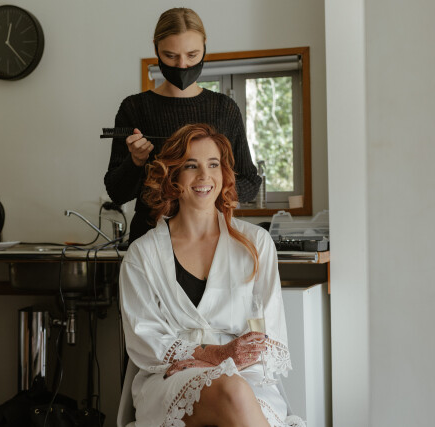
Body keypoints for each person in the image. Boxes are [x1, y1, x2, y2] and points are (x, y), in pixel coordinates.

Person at [119, 124, 305, 427]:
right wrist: (214, 355)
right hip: (172, 375)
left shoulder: (256, 244)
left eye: (213, 164)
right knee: (232, 390)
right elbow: (145, 340)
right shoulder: (143, 255)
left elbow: (268, 334)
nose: (204, 176)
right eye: (191, 166)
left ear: (224, 173)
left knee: (236, 388)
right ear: (173, 175)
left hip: (247, 373)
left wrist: (226, 360)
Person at [104, 7, 261, 244]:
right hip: (149, 238)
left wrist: (208, 188)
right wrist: (135, 161)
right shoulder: (134, 108)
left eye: (192, 55)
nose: (182, 65)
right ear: (156, 49)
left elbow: (250, 182)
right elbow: (117, 193)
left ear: (204, 47)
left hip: (210, 238)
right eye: (170, 56)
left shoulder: (224, 109)